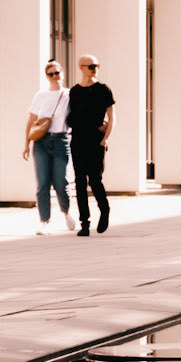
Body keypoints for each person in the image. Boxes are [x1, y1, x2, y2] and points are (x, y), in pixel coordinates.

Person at [22, 59, 75, 235]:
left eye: (57, 73)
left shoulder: (69, 94)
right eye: (50, 74)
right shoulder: (40, 96)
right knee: (42, 183)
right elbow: (31, 121)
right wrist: (26, 144)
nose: (54, 77)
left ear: (62, 73)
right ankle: (44, 221)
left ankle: (66, 212)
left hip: (61, 141)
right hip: (41, 142)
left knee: (61, 182)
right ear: (46, 76)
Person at [67, 54, 114, 236]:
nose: (94, 69)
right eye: (91, 66)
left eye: (96, 66)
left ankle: (104, 210)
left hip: (96, 140)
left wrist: (106, 138)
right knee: (79, 182)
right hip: (78, 140)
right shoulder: (74, 92)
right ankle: (84, 223)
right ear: (81, 67)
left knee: (95, 180)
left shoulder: (103, 90)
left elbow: (112, 117)